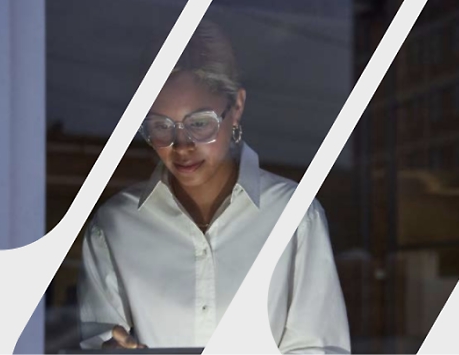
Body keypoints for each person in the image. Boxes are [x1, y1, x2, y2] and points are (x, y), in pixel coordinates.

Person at [77, 20, 350, 353]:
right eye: (160, 126)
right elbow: (97, 344)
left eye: (200, 123)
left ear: (236, 108)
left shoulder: (294, 216)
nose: (182, 145)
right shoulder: (114, 227)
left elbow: (319, 348)